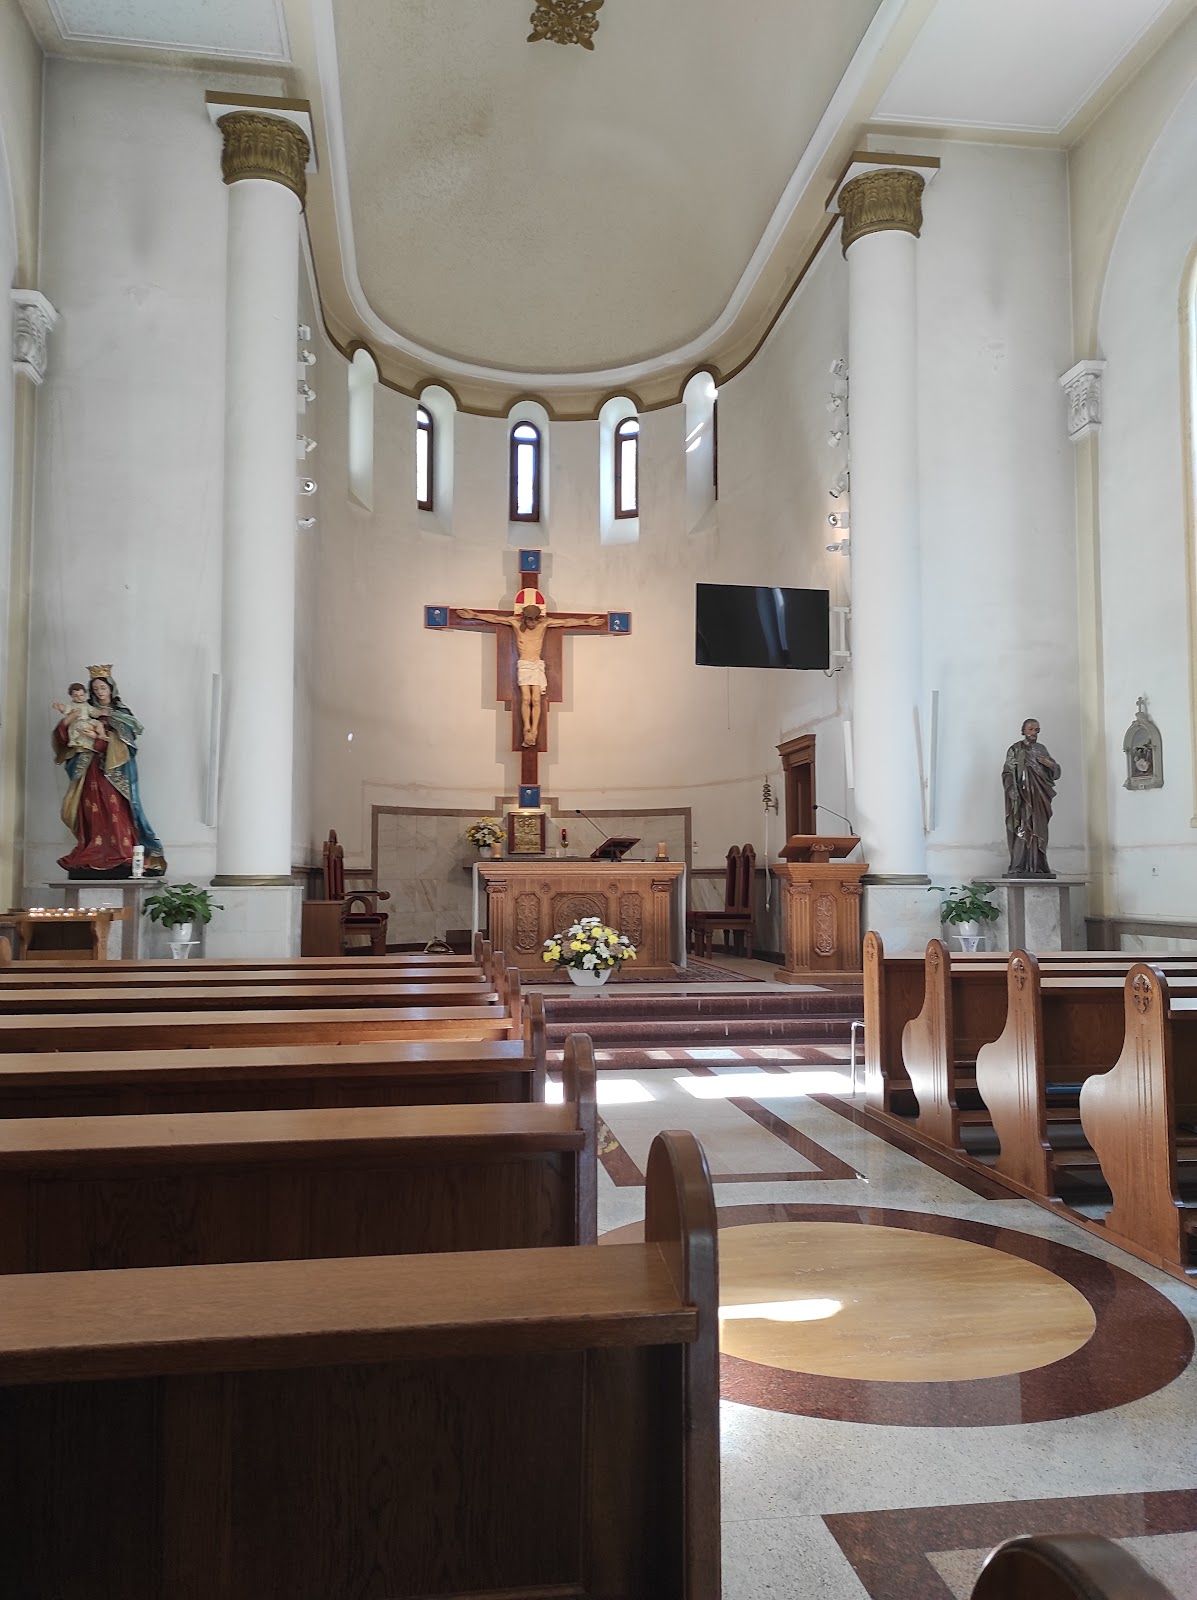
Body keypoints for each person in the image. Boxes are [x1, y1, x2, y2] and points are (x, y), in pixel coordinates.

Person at [53, 667, 166, 878]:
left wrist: (99, 741)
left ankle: (123, 852)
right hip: (89, 770)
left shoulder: (121, 713)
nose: (99, 692)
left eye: (103, 687)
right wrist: (67, 723)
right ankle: (94, 853)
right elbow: (64, 737)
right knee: (92, 811)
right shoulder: (85, 710)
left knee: (116, 809)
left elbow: (127, 743)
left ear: (111, 688)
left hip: (114, 772)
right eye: (95, 688)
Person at [456, 602, 605, 746]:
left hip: (537, 665)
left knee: (537, 700)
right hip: (524, 665)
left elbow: (566, 622)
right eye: (529, 620)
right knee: (526, 698)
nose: (532, 623)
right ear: (524, 618)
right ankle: (526, 728)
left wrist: (586, 621)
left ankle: (534, 731)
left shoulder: (544, 623)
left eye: (535, 620)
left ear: (538, 618)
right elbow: (495, 618)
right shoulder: (515, 623)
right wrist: (474, 615)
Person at [1002, 718, 1061, 878]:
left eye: (1037, 730)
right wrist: (1012, 789)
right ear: (1023, 731)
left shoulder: (1041, 749)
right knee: (1023, 828)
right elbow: (1007, 772)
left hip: (1039, 796)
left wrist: (1051, 765)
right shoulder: (1015, 749)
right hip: (1022, 796)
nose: (1034, 733)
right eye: (1031, 729)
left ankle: (1038, 865)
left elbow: (1055, 772)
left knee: (1039, 829)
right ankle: (1018, 865)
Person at [51, 682, 101, 753]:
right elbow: (65, 709)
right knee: (81, 729)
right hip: (78, 722)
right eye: (76, 696)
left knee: (98, 723)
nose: (79, 697)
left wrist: (100, 712)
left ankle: (101, 735)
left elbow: (93, 711)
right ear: (71, 696)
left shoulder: (86, 704)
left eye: (81, 695)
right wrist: (60, 707)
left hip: (87, 721)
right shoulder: (71, 705)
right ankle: (79, 745)